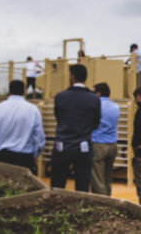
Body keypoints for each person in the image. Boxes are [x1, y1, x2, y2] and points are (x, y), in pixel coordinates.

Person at [51, 64, 101, 192]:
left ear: (72, 77)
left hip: (62, 146)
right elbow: (96, 122)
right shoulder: (94, 98)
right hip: (83, 146)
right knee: (82, 188)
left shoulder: (60, 96)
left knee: (57, 186)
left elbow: (59, 118)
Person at [0, 80, 45, 173]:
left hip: (2, 156)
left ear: (8, 92)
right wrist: (35, 155)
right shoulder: (33, 110)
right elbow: (39, 136)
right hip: (24, 157)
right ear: (24, 92)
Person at [90, 82, 119, 195]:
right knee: (108, 179)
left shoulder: (96, 106)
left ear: (99, 93)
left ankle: (102, 205)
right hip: (112, 145)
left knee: (98, 180)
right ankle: (109, 202)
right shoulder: (115, 106)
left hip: (98, 144)